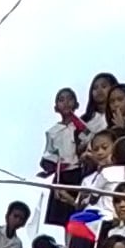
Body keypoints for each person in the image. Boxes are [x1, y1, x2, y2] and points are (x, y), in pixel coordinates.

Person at [41, 87, 90, 229]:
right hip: (61, 175)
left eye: (70, 99)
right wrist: (48, 164)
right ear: (56, 107)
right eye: (61, 100)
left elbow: (89, 141)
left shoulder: (81, 126)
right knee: (64, 217)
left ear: (76, 104)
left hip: (79, 172)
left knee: (78, 214)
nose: (66, 103)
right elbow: (49, 153)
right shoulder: (52, 132)